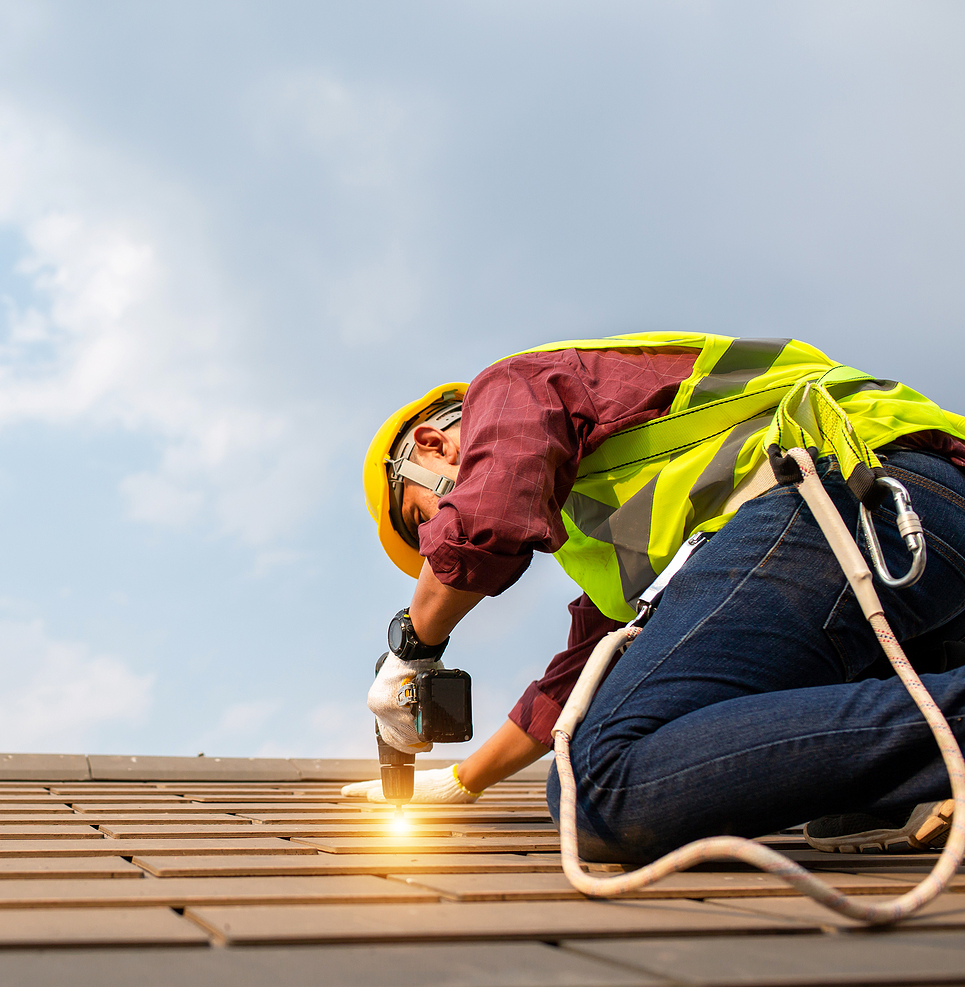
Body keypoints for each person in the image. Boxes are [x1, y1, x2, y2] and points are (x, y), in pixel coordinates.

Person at [346, 332, 965, 862]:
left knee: (594, 785)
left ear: (431, 445)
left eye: (421, 519)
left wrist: (414, 645)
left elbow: (485, 520)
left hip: (847, 495)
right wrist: (460, 783)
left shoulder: (509, 390)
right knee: (842, 806)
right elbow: (576, 683)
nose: (434, 543)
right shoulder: (601, 524)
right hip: (921, 522)